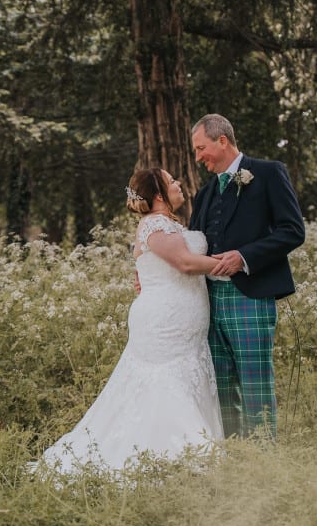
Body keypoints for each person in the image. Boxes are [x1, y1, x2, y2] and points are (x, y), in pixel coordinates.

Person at [33, 168, 224, 475]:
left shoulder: (166, 225)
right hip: (166, 322)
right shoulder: (156, 224)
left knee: (181, 380)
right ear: (159, 194)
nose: (179, 183)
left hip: (183, 322)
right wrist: (233, 263)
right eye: (172, 180)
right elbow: (185, 263)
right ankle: (177, 456)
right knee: (166, 384)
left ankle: (184, 454)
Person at [190, 113, 305, 439]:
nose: (199, 158)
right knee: (220, 385)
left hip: (251, 297)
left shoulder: (269, 173)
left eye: (201, 149)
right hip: (208, 302)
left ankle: (263, 462)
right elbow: (190, 245)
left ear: (222, 140)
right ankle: (233, 457)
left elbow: (293, 231)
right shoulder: (204, 194)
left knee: (255, 383)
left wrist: (244, 257)